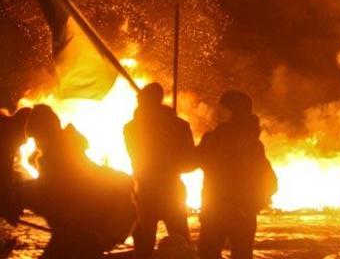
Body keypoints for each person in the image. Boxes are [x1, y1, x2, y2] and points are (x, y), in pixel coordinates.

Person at [23, 104, 135, 259]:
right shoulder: (66, 148)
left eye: (36, 137)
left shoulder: (59, 156)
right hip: (77, 231)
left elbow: (52, 195)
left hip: (79, 232)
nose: (36, 144)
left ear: (45, 132)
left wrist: (19, 195)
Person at [197, 91, 277, 259]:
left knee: (208, 254)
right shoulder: (253, 144)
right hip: (241, 214)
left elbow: (189, 162)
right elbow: (270, 182)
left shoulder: (213, 140)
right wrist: (251, 205)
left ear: (234, 111)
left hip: (216, 213)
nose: (219, 111)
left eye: (223, 107)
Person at [124, 82, 195, 258]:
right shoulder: (179, 126)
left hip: (144, 191)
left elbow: (137, 157)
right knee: (180, 242)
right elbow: (189, 161)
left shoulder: (132, 128)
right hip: (172, 189)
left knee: (143, 247)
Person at [0, 108, 30, 225]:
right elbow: (3, 176)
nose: (25, 140)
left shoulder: (8, 140)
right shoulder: (4, 141)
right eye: (27, 133)